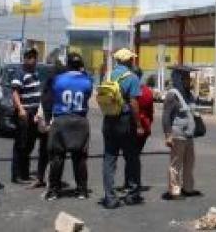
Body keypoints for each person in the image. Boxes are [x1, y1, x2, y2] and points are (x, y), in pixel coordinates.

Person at [45, 53, 93, 201]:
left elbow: (50, 94)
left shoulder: (58, 80)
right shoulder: (87, 81)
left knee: (57, 157)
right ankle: (82, 190)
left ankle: (54, 191)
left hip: (61, 119)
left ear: (68, 65)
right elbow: (88, 95)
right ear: (80, 65)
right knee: (79, 158)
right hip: (79, 119)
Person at [101, 48, 144, 209]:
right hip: (125, 121)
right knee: (132, 158)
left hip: (109, 120)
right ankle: (133, 194)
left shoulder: (109, 76)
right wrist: (138, 124)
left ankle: (110, 197)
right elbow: (134, 103)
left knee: (109, 159)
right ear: (129, 61)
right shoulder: (132, 78)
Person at [162, 66, 202, 200]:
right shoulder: (172, 95)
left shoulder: (189, 94)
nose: (188, 80)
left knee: (190, 162)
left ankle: (188, 188)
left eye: (188, 77)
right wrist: (168, 135)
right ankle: (174, 191)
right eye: (185, 77)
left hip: (189, 135)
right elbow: (166, 117)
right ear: (177, 78)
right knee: (176, 164)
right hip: (178, 134)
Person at [11, 48, 47, 186]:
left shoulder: (35, 73)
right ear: (25, 59)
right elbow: (15, 93)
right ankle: (17, 175)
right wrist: (20, 109)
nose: (33, 60)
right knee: (21, 144)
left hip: (34, 114)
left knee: (29, 144)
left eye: (34, 57)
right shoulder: (19, 73)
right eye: (30, 57)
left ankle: (25, 173)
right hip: (24, 113)